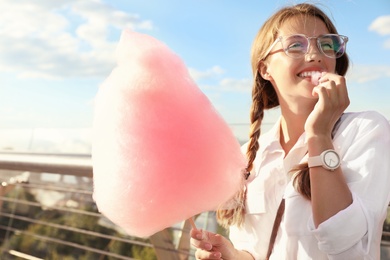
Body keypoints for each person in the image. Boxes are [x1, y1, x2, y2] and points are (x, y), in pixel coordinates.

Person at [190, 3, 390, 259]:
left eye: (327, 44)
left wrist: (319, 135)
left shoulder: (367, 130)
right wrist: (233, 254)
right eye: (296, 45)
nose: (316, 55)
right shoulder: (249, 156)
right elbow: (260, 250)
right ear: (265, 69)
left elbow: (347, 249)